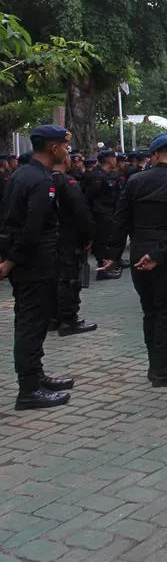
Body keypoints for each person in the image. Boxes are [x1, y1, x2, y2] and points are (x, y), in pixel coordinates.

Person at [98, 134, 167, 386]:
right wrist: (158, 254)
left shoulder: (135, 181)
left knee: (150, 311)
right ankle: (162, 369)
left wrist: (112, 256)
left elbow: (120, 220)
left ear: (154, 155)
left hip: (139, 252)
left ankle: (158, 363)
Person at [0, 125, 76, 409]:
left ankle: (36, 376)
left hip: (30, 261)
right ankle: (29, 390)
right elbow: (31, 228)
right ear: (53, 148)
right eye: (64, 146)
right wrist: (11, 261)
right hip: (34, 262)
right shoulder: (40, 180)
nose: (66, 151)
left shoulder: (22, 174)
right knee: (31, 325)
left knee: (35, 322)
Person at [51, 153, 97, 337]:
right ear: (64, 160)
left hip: (48, 240)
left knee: (53, 279)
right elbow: (81, 212)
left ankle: (53, 318)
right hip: (69, 238)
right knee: (70, 280)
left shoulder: (39, 180)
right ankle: (68, 320)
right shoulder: (67, 183)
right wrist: (89, 235)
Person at [86, 149, 123, 281]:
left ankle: (108, 265)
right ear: (108, 159)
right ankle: (102, 269)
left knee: (109, 240)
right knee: (102, 241)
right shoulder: (96, 175)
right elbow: (89, 197)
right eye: (113, 158)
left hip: (110, 213)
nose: (115, 161)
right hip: (100, 214)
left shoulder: (111, 174)